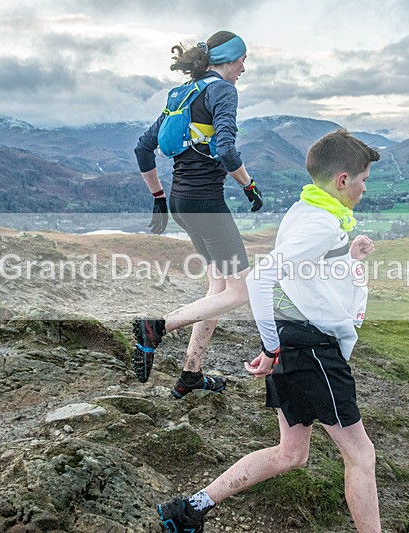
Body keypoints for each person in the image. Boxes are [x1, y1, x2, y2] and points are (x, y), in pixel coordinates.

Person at [156, 130, 382, 533]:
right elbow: (263, 278)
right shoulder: (322, 223)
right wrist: (273, 348)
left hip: (298, 343)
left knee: (290, 454)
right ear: (343, 179)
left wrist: (349, 254)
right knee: (361, 456)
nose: (365, 188)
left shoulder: (305, 210)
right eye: (364, 179)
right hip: (312, 349)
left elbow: (304, 273)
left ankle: (189, 509)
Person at [132, 31, 263, 399]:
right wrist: (249, 185)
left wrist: (158, 197)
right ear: (227, 59)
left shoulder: (182, 93)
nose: (243, 68)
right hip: (207, 205)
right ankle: (156, 328)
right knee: (241, 290)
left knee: (218, 287)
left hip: (181, 203)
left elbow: (143, 149)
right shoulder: (222, 91)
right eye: (241, 60)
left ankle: (191, 374)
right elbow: (226, 149)